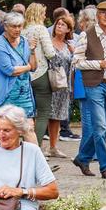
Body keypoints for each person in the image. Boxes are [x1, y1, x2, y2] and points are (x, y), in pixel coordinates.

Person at [70, 2, 106, 179]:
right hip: (94, 85)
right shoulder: (87, 35)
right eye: (103, 13)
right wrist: (98, 64)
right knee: (99, 126)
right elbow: (76, 62)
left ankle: (82, 157)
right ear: (97, 15)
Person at [0, 15, 36, 118]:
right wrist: (28, 67)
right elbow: (9, 70)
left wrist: (32, 51)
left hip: (25, 93)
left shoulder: (24, 41)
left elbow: (34, 67)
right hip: (6, 94)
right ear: (6, 27)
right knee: (7, 127)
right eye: (14, 26)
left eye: (20, 26)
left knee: (29, 127)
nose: (17, 29)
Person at [44, 13, 75, 157]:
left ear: (69, 29)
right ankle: (39, 146)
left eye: (63, 25)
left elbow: (73, 65)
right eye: (58, 24)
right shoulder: (48, 42)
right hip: (49, 82)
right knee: (45, 114)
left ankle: (53, 147)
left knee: (57, 116)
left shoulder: (69, 46)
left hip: (63, 86)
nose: (59, 26)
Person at [20, 3, 52, 114]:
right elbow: (50, 53)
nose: (45, 16)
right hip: (40, 72)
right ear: (38, 14)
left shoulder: (21, 30)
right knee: (43, 112)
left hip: (24, 73)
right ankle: (37, 133)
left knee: (27, 110)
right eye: (43, 13)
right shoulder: (40, 29)